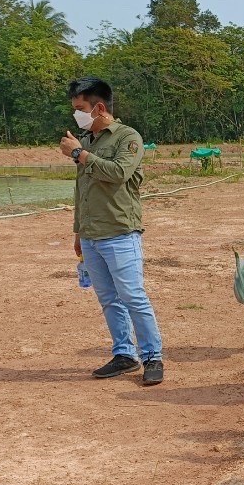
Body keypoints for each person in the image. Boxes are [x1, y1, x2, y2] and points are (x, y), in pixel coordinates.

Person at [60, 77, 165, 386]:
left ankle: (152, 357)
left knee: (133, 296)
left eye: (80, 108)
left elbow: (119, 174)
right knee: (108, 299)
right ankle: (124, 354)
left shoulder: (127, 137)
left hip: (119, 231)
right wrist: (79, 231)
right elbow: (83, 190)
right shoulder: (88, 140)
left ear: (99, 107)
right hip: (92, 235)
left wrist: (79, 154)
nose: (76, 114)